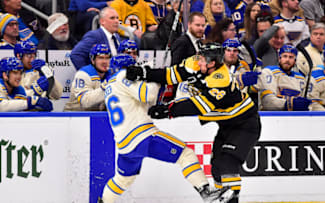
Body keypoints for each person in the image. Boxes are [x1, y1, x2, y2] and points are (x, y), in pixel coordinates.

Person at [126, 42, 261, 203]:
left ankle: (232, 201)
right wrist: (144, 73)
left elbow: (199, 106)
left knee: (227, 162)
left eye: (202, 60)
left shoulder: (221, 79)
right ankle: (222, 200)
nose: (198, 62)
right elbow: (171, 75)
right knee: (217, 167)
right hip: (226, 125)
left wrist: (168, 110)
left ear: (212, 64)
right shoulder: (197, 62)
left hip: (245, 124)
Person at [98, 53, 223, 203]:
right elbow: (148, 94)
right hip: (142, 135)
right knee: (186, 154)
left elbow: (145, 101)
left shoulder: (109, 85)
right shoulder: (123, 75)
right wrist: (155, 77)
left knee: (123, 180)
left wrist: (152, 78)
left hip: (124, 143)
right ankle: (206, 192)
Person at [258, 44, 311, 111]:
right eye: (285, 56)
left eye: (291, 57)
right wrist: (290, 104)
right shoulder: (269, 72)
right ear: (279, 58)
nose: (287, 60)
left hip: (294, 117)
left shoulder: (301, 79)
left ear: (295, 61)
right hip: (271, 117)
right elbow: (268, 101)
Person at [64, 44, 112, 111]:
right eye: (100, 58)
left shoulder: (111, 73)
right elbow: (86, 102)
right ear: (92, 60)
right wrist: (106, 87)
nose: (104, 62)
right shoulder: (83, 74)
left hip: (96, 116)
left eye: (107, 58)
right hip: (74, 116)